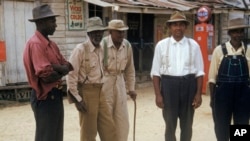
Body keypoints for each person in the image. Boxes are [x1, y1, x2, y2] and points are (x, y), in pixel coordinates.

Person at [150, 11, 204, 141]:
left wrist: (198, 94)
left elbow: (199, 72)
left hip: (188, 86)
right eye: (175, 25)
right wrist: (158, 95)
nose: (178, 28)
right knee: (170, 124)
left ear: (185, 27)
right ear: (170, 27)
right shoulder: (161, 46)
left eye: (181, 25)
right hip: (169, 87)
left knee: (187, 125)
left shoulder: (194, 45)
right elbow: (156, 73)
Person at [23, 4, 73, 141]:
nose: (55, 25)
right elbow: (47, 77)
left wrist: (54, 66)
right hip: (44, 98)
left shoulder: (52, 45)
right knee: (46, 137)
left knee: (56, 136)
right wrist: (59, 68)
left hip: (55, 95)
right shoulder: (36, 44)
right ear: (40, 23)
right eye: (52, 21)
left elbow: (68, 65)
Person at [66, 17, 116, 141]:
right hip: (86, 93)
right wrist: (77, 99)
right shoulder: (80, 49)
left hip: (100, 91)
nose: (98, 34)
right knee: (88, 133)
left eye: (100, 31)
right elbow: (70, 75)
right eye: (94, 32)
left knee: (109, 129)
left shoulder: (102, 49)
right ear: (88, 33)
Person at [208, 18, 250, 141]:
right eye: (235, 32)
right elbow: (212, 78)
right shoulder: (219, 50)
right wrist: (212, 99)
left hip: (243, 95)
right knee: (222, 125)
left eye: (241, 31)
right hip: (222, 95)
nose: (238, 34)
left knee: (242, 126)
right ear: (230, 33)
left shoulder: (248, 51)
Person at [100, 19, 137, 141]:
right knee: (107, 120)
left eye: (123, 32)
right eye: (118, 32)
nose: (121, 35)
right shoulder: (102, 45)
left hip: (120, 82)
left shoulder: (127, 46)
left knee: (122, 120)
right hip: (105, 83)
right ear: (110, 32)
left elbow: (130, 69)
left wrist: (131, 88)